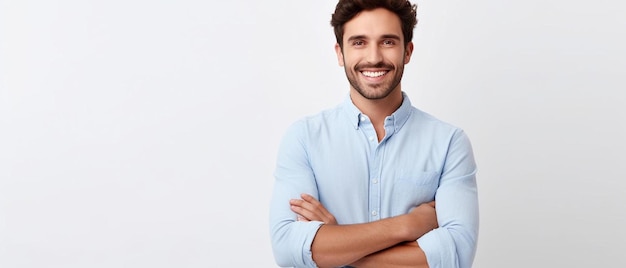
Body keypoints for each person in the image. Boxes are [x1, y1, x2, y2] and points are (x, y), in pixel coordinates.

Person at [269, 0, 479, 267]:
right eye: (359, 42)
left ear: (408, 51)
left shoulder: (449, 143)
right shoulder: (304, 138)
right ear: (340, 53)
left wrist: (336, 241)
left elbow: (456, 258)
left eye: (388, 42)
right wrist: (408, 226)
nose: (374, 57)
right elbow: (289, 251)